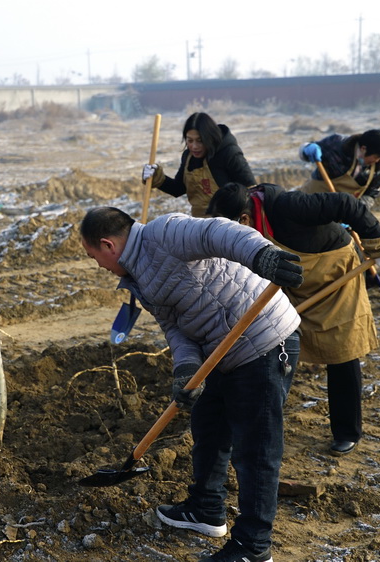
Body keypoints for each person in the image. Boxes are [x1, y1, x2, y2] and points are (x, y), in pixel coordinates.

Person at [80, 206, 303, 562]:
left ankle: (253, 547)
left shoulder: (163, 233)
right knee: (208, 426)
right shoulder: (139, 275)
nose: (99, 266)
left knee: (256, 450)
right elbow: (175, 328)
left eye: (94, 257)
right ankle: (206, 509)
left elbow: (219, 232)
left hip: (263, 340)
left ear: (108, 245)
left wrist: (261, 255)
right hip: (222, 351)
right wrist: (186, 369)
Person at [205, 182, 380, 457]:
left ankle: (347, 432)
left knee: (341, 350)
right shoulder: (251, 220)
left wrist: (379, 241)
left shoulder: (288, 206)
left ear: (245, 219)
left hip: (335, 274)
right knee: (270, 339)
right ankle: (254, 422)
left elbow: (347, 204)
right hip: (294, 278)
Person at [299, 129, 380, 288]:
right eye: (375, 156)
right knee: (307, 242)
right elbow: (306, 151)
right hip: (312, 201)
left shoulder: (378, 169)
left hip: (342, 209)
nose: (377, 161)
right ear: (363, 149)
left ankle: (365, 276)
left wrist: (356, 213)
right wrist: (307, 149)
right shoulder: (337, 144)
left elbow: (371, 194)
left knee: (351, 243)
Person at [141, 112, 256, 218]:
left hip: (229, 224)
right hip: (199, 224)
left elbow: (252, 190)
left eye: (200, 141)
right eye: (190, 141)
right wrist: (157, 177)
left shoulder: (229, 153)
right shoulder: (188, 157)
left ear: (209, 138)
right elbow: (178, 188)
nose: (194, 146)